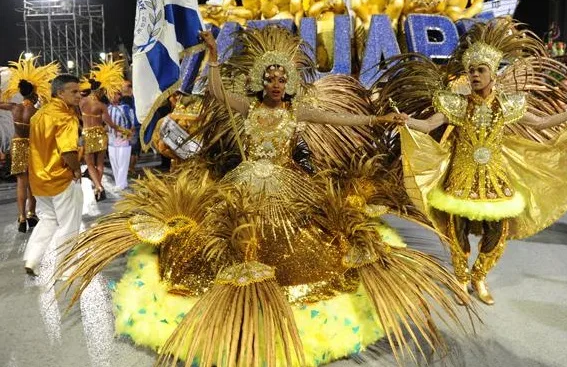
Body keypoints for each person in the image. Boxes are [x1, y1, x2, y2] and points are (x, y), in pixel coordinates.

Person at [57, 26, 473, 367]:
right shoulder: (249, 109)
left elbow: (341, 116)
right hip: (243, 182)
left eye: (281, 79)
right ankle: (233, 298)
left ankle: (275, 298)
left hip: (288, 186)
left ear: (289, 83)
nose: (275, 85)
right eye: (269, 79)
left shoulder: (297, 112)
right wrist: (215, 57)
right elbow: (217, 93)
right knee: (226, 237)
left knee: (307, 243)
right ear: (261, 81)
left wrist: (380, 116)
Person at [384, 18, 567, 305]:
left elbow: (542, 123)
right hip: (460, 177)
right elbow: (426, 126)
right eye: (471, 70)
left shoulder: (507, 105)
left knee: (497, 231)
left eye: (480, 70)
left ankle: (479, 276)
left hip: (495, 178)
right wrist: (405, 120)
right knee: (456, 230)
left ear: (493, 74)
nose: (474, 75)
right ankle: (460, 278)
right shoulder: (457, 104)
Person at [23, 74, 83, 277]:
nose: (79, 95)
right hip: (60, 177)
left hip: (38, 178)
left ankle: (32, 259)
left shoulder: (39, 114)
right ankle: (66, 268)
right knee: (68, 223)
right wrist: (75, 169)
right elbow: (68, 151)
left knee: (48, 219)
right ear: (60, 93)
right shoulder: (65, 116)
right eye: (74, 91)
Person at [0, 56, 57, 232]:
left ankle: (21, 217)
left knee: (20, 182)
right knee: (32, 181)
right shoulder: (36, 111)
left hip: (17, 145)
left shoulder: (14, 108)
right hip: (32, 146)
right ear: (35, 92)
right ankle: (32, 212)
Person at [79, 61, 127, 201]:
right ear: (99, 91)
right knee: (99, 163)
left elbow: (75, 115)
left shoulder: (82, 102)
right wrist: (123, 130)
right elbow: (111, 124)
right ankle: (98, 188)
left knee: (89, 164)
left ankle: (98, 187)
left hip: (87, 134)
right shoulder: (101, 105)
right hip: (100, 135)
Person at [107, 91, 136, 191]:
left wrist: (129, 134)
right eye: (111, 94)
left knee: (123, 162)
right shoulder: (107, 108)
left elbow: (132, 123)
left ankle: (121, 184)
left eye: (116, 94)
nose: (113, 96)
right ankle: (120, 182)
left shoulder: (126, 108)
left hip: (123, 138)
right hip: (111, 138)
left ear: (120, 96)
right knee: (114, 162)